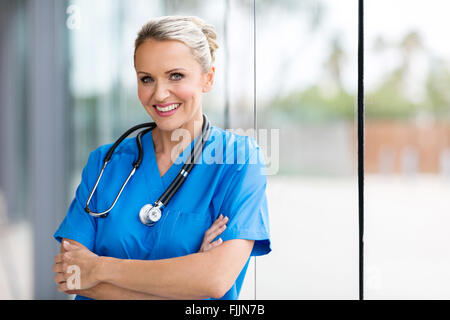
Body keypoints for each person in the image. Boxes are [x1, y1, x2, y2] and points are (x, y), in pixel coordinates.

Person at [52, 15, 270, 300]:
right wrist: (188, 282)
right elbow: (73, 275)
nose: (160, 94)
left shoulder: (238, 160)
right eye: (147, 79)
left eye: (175, 76)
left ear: (208, 78)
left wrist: (100, 268)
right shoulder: (105, 162)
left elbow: (215, 279)